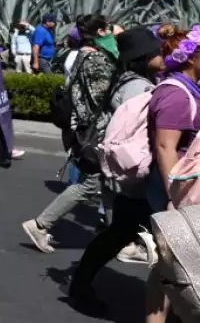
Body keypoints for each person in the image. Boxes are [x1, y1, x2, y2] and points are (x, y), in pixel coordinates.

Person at [66, 27, 164, 313]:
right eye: (156, 52)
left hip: (131, 177)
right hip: (137, 176)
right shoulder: (138, 88)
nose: (162, 55)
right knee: (122, 234)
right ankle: (81, 287)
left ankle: (80, 285)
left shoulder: (131, 81)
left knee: (118, 233)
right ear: (144, 58)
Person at [21, 14, 116, 254]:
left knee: (108, 182)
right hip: (95, 130)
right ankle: (41, 224)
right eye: (109, 31)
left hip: (84, 127)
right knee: (89, 183)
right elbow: (101, 97)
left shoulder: (79, 56)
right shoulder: (95, 60)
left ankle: (117, 235)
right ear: (101, 33)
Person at [146, 24, 200, 323]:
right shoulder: (176, 94)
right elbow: (165, 148)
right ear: (191, 57)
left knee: (175, 261)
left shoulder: (192, 89)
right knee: (168, 264)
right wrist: (173, 198)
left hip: (187, 185)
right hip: (177, 188)